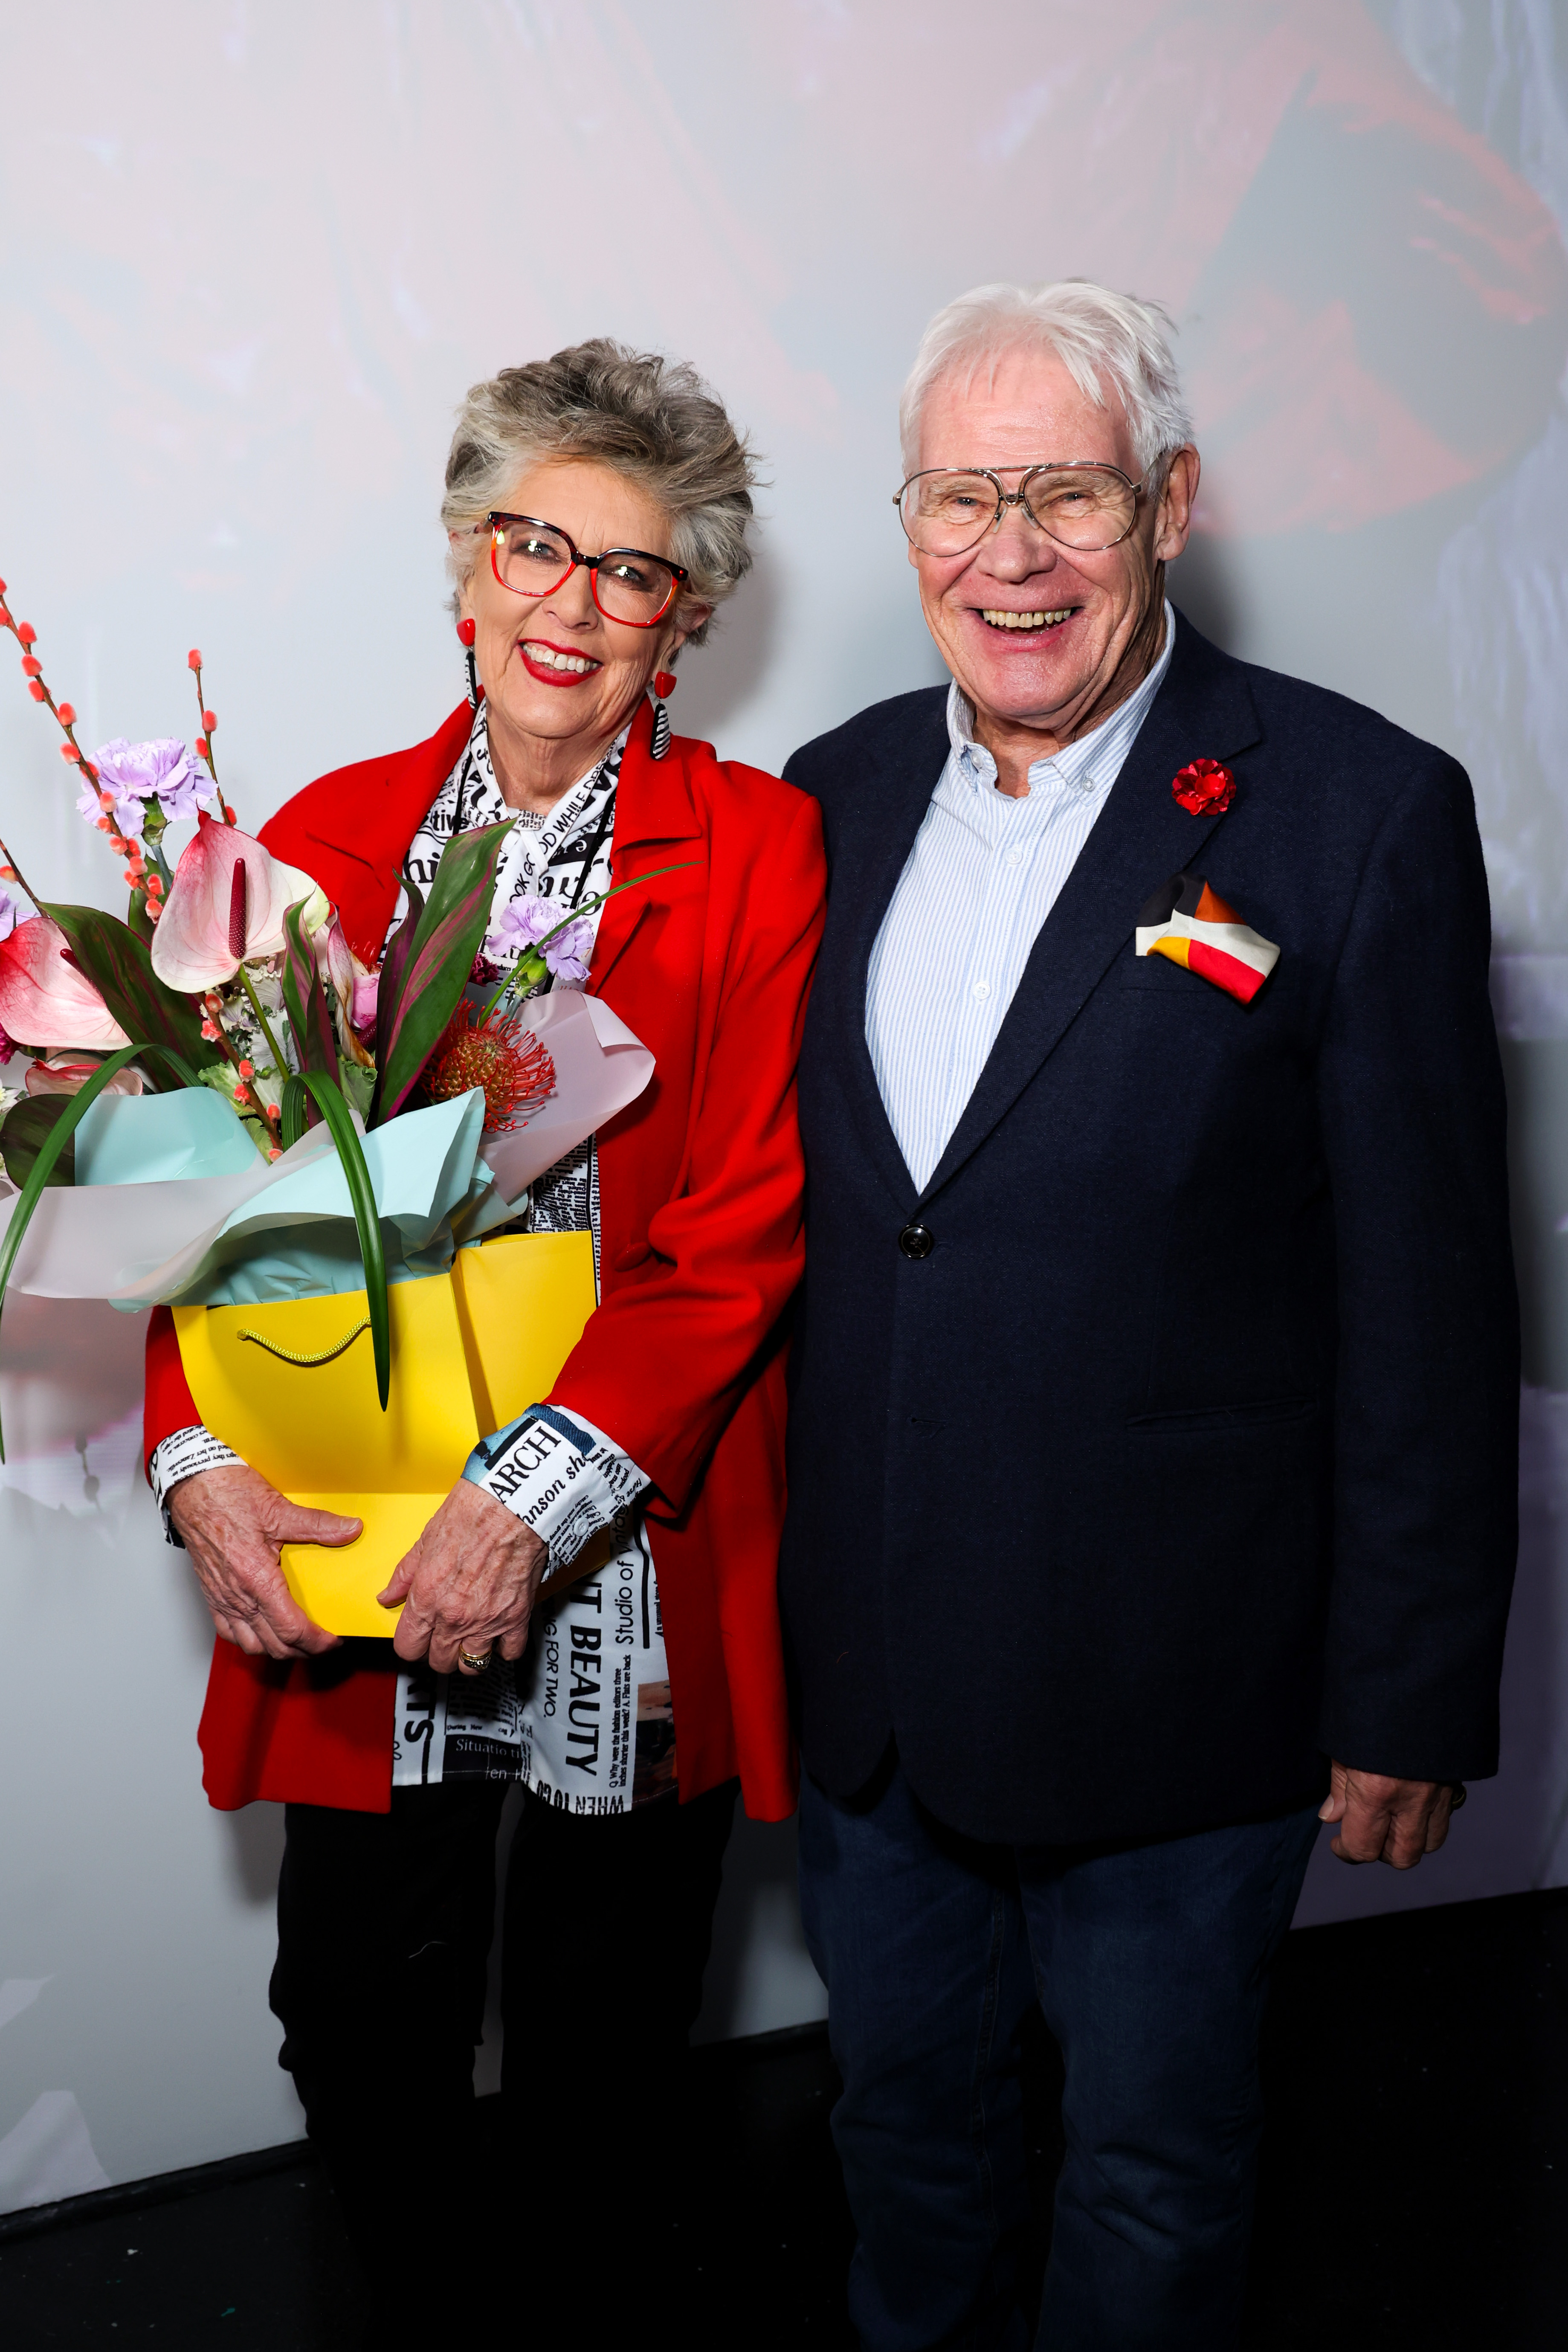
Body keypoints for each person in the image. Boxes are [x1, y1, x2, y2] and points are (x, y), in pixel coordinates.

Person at [780, 280, 1518, 2350]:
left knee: (1152, 2170)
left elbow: (1428, 1294)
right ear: (907, 518)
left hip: (1185, 1687)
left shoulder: (1353, 811)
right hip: (874, 1687)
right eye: (959, 495)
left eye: (1066, 493)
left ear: (1168, 501)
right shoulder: (816, 802)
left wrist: (1405, 1691)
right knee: (900, 2131)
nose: (1007, 552)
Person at [141, 340, 825, 2332]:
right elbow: (209, 1211)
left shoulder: (754, 845)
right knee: (354, 2017)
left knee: (607, 2056)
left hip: (620, 1551)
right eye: (534, 541)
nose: (568, 602)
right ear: (463, 560)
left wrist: (528, 1503)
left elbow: (739, 1228)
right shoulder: (317, 840)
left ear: (678, 622)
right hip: (362, 1539)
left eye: (627, 572)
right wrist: (196, 1458)